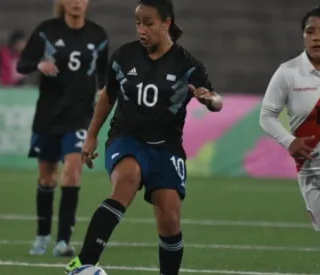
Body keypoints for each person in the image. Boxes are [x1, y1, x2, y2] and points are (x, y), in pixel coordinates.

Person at [65, 0, 222, 274]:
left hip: (167, 146)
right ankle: (84, 263)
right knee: (126, 180)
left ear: (166, 23)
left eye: (148, 23)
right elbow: (108, 95)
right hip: (127, 137)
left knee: (170, 218)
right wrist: (91, 136)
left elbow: (216, 99)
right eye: (137, 23)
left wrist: (209, 100)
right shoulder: (124, 56)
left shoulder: (187, 65)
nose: (141, 29)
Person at [259, 5, 320, 274]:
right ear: (303, 36)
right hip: (312, 171)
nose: (316, 37)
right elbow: (267, 115)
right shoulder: (288, 72)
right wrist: (289, 142)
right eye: (310, 32)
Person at [16, 0, 109, 257]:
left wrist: (102, 90)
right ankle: (42, 235)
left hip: (79, 116)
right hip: (48, 115)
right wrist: (38, 65)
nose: (77, 2)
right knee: (47, 178)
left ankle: (63, 241)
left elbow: (103, 72)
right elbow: (21, 64)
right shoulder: (47, 31)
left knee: (72, 172)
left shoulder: (98, 35)